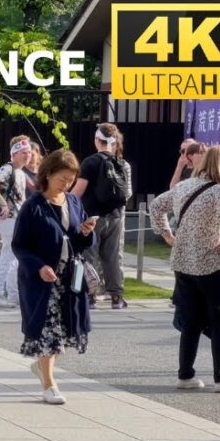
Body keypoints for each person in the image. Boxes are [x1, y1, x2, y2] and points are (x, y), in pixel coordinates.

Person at [150, 146, 220, 394]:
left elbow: (156, 206)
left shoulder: (184, 187)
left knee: (191, 321)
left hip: (183, 262)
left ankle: (185, 374)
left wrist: (167, 234)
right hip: (214, 262)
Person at [13, 150, 98, 405]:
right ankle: (49, 384)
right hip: (42, 279)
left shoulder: (73, 201)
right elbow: (20, 246)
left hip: (69, 276)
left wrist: (86, 231)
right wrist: (38, 266)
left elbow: (79, 241)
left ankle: (42, 367)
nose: (67, 184)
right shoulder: (33, 206)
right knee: (48, 330)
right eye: (62, 178)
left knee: (68, 327)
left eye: (71, 179)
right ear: (48, 175)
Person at [71, 122, 133, 309]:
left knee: (87, 255)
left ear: (97, 140)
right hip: (116, 216)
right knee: (113, 257)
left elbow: (78, 191)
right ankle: (116, 297)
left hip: (91, 217)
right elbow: (128, 193)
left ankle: (88, 296)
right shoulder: (123, 163)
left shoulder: (90, 162)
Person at [0, 135, 32, 309]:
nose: (27, 155)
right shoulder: (8, 169)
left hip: (17, 220)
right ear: (14, 153)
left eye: (28, 152)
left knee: (15, 259)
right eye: (23, 152)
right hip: (9, 220)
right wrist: (3, 204)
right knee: (8, 256)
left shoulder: (20, 173)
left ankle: (13, 295)